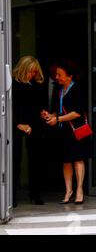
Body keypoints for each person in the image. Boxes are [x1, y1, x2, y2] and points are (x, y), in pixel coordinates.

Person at [41, 59, 88, 205]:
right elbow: (57, 111)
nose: (57, 77)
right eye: (56, 74)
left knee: (77, 159)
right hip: (63, 131)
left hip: (76, 129)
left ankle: (79, 190)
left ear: (70, 76)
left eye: (60, 75)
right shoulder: (59, 90)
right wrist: (50, 116)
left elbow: (77, 113)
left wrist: (59, 119)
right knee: (66, 161)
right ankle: (68, 191)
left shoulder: (77, 89)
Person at [12, 55, 47, 207]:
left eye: (34, 72)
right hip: (16, 125)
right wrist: (18, 124)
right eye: (30, 71)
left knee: (36, 160)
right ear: (23, 69)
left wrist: (42, 115)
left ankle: (35, 194)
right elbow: (9, 108)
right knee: (14, 160)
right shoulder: (13, 84)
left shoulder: (38, 85)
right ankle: (11, 196)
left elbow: (39, 107)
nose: (32, 74)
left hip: (33, 125)